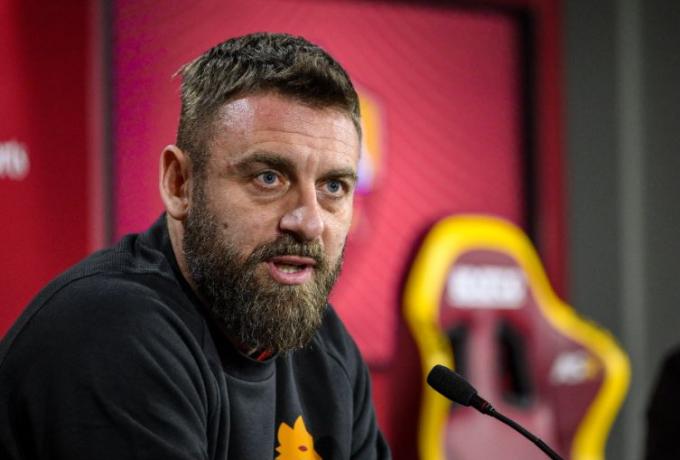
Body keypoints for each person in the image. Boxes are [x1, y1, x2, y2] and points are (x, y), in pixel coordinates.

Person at [0, 32, 391, 459]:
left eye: (333, 186)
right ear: (179, 183)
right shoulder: (111, 332)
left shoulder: (327, 347)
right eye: (268, 178)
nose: (310, 222)